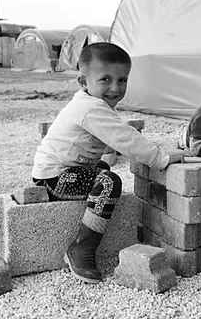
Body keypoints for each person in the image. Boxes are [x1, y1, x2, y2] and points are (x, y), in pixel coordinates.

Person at [32, 42, 189, 284]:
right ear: (83, 82)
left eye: (122, 80)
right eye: (105, 79)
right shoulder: (90, 108)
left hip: (63, 171)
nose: (115, 88)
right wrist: (161, 159)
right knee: (108, 182)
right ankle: (82, 247)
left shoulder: (93, 103)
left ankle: (84, 238)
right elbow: (124, 138)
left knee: (103, 169)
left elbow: (116, 138)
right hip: (55, 176)